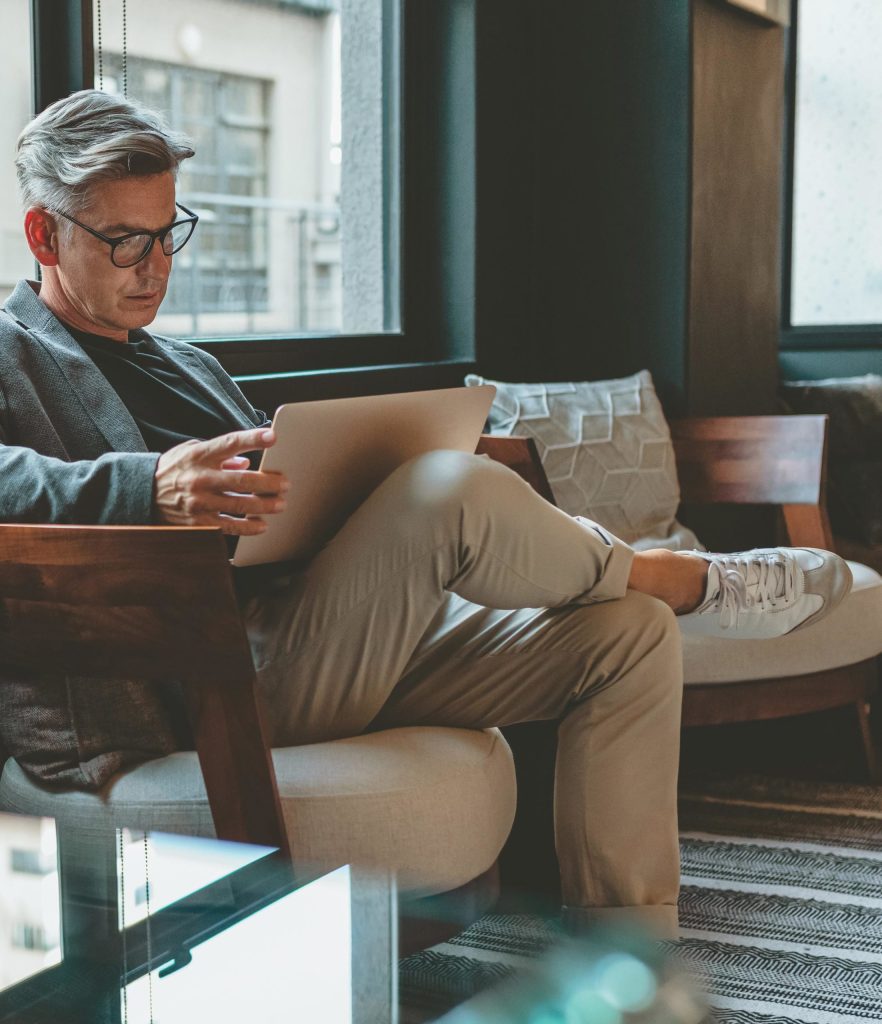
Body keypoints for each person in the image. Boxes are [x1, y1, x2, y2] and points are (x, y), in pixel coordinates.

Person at [0, 90, 851, 938]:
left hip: (311, 639)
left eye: (166, 234)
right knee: (449, 490)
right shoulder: (14, 355)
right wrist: (148, 485)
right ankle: (689, 581)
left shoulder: (186, 363)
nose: (154, 266)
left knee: (625, 637)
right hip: (203, 680)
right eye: (122, 242)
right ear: (44, 234)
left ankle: (627, 952)